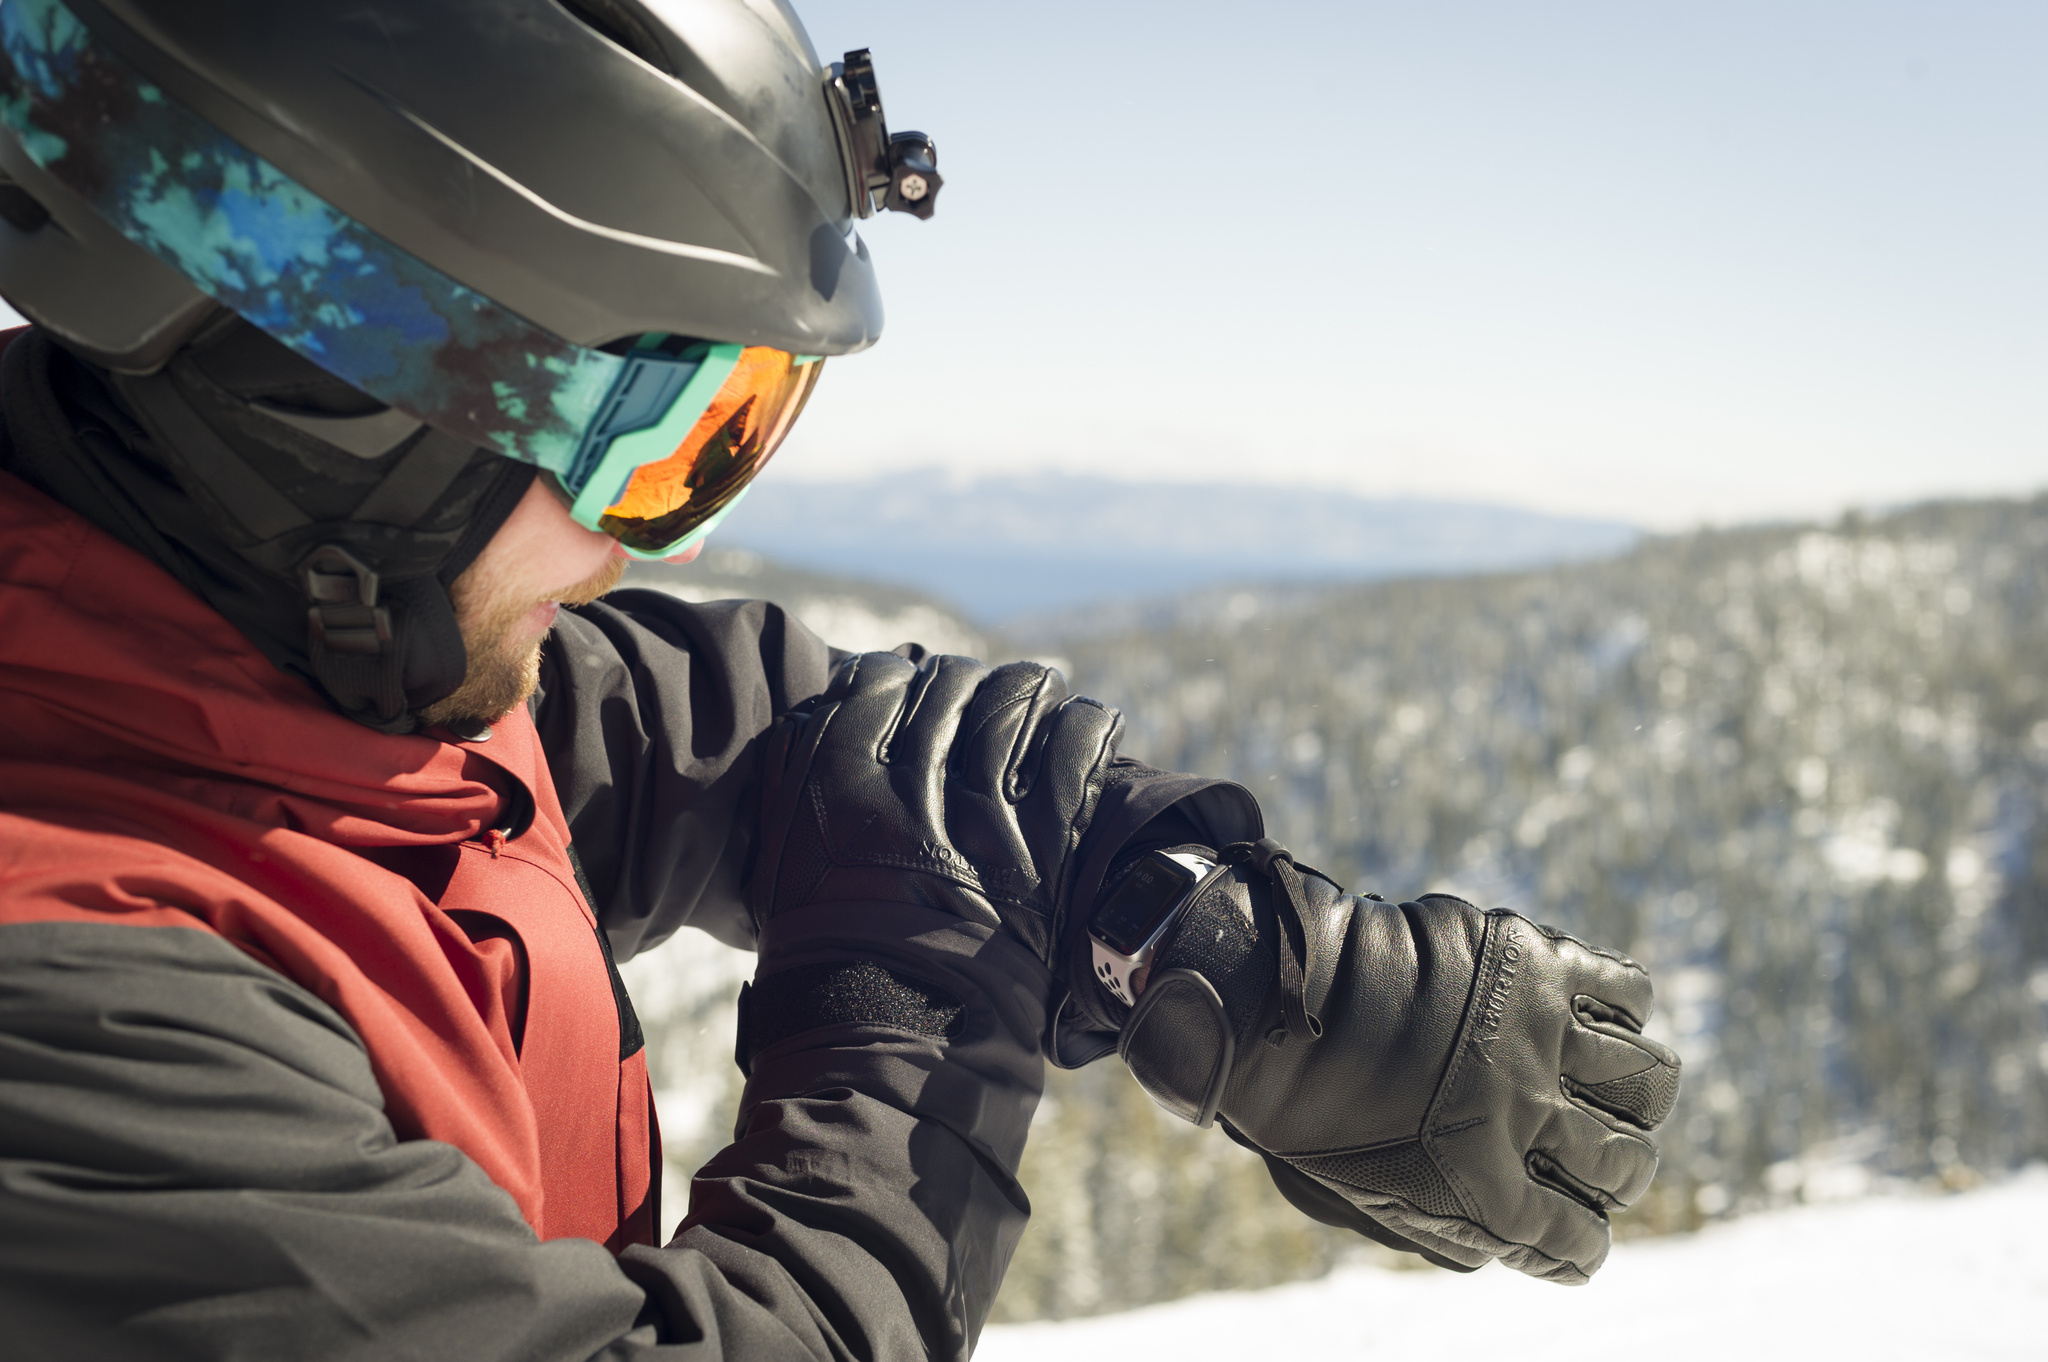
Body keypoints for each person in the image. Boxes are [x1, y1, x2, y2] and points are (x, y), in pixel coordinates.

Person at [0, 0, 1681, 1357]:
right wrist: (919, 995)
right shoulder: (70, 1019)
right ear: (322, 398)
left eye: (736, 425)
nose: (641, 549)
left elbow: (820, 757)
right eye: (654, 438)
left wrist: (1245, 960)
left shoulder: (285, 648)